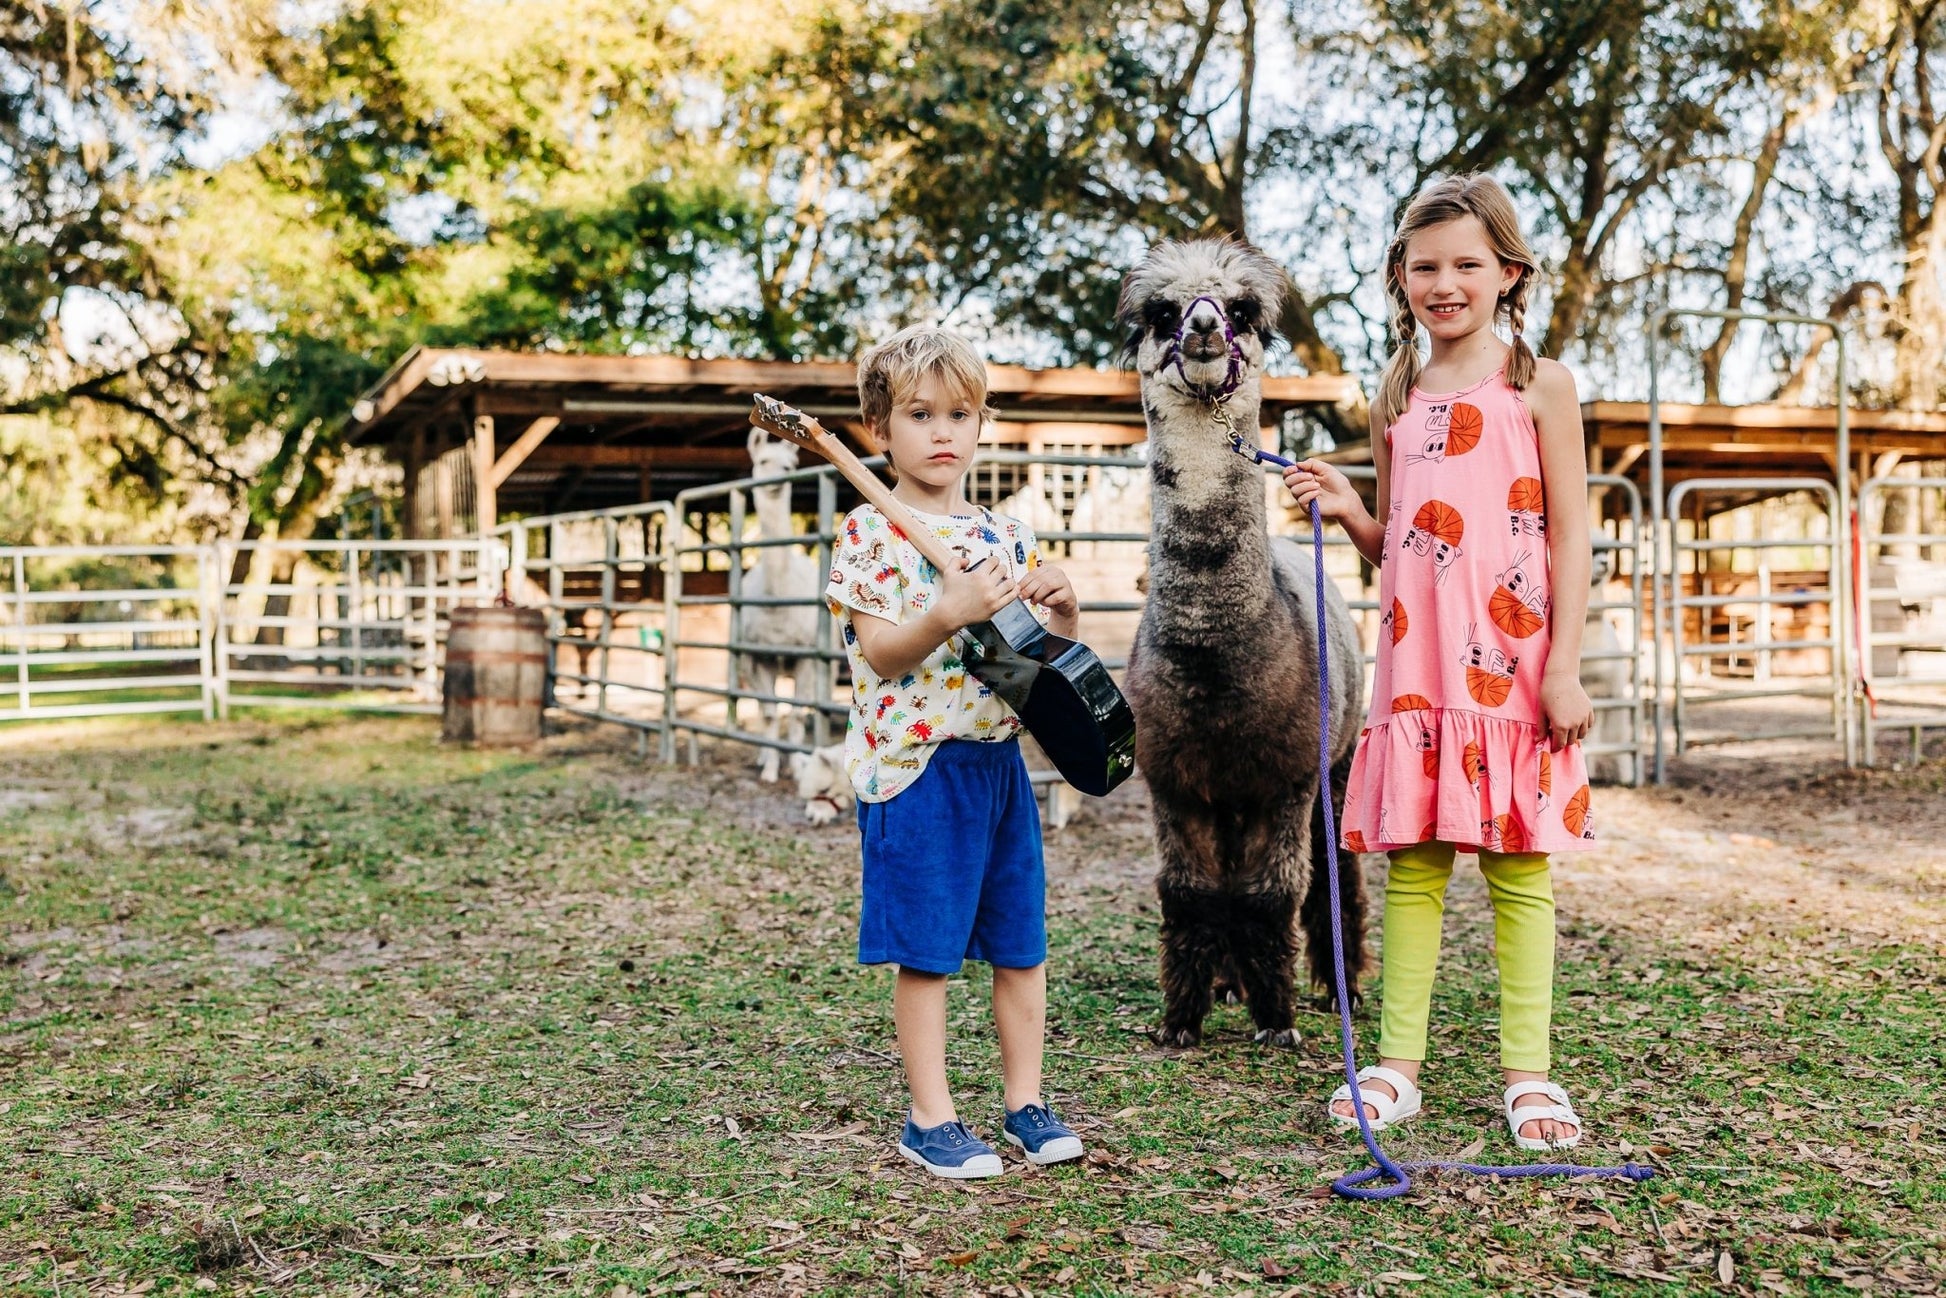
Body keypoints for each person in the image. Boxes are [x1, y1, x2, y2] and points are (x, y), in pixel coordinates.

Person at [1284, 174, 1597, 1151]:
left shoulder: (1537, 383)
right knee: (1412, 868)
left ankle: (1528, 1072)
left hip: (1512, 666)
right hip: (1416, 674)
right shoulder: (1396, 395)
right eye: (1425, 265)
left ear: (1507, 272)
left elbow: (1572, 533)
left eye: (1466, 263)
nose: (1444, 281)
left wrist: (1564, 667)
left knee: (1517, 872)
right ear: (1399, 276)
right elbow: (1406, 542)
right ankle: (1396, 1065)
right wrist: (1350, 511)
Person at [825, 324, 1085, 1178]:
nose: (943, 432)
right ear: (879, 430)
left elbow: (1025, 666)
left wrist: (1062, 614)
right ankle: (929, 1117)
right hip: (918, 770)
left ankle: (1025, 1102)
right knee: (930, 953)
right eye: (920, 414)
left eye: (961, 414)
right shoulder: (870, 534)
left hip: (997, 767)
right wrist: (945, 610)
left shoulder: (1006, 536)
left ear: (982, 426)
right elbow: (883, 653)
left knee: (1022, 944)